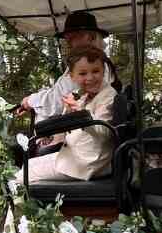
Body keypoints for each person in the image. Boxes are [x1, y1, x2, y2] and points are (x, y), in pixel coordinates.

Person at [16, 46, 117, 183]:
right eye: (83, 74)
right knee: (27, 165)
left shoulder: (108, 96)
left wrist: (79, 111)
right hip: (74, 156)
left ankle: (20, 203)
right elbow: (70, 125)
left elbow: (104, 132)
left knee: (21, 177)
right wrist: (69, 110)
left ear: (103, 71)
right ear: (72, 77)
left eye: (96, 71)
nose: (90, 78)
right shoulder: (84, 95)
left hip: (87, 163)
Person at [19, 11, 114, 123]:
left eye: (72, 38)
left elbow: (58, 100)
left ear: (91, 37)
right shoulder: (87, 62)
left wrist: (30, 101)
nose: (68, 44)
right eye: (67, 39)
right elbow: (59, 92)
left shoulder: (91, 67)